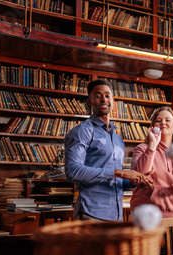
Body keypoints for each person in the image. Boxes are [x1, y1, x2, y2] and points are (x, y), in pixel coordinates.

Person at [64, 79, 153, 221]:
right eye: (98, 95)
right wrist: (119, 172)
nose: (103, 99)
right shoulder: (82, 131)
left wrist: (132, 181)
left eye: (107, 95)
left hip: (117, 213)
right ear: (89, 101)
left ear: (113, 100)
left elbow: (116, 180)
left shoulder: (118, 139)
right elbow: (73, 171)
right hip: (92, 212)